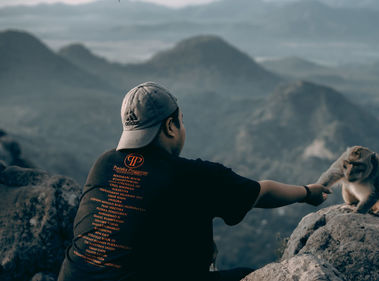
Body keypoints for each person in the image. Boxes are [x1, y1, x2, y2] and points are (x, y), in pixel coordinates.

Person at [57, 82, 330, 281]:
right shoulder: (195, 176)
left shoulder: (104, 163)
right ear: (170, 126)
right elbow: (263, 192)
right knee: (254, 276)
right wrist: (308, 192)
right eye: (181, 121)